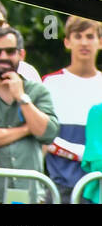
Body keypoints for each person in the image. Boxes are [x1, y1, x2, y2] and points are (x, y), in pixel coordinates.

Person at [0, 26, 59, 203]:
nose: (3, 57)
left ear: (21, 54)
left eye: (10, 51)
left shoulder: (37, 91)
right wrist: (27, 129)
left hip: (30, 195)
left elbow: (48, 133)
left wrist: (22, 97)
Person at [41, 16, 102, 201]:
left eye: (90, 36)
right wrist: (83, 155)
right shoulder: (50, 82)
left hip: (98, 188)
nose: (84, 42)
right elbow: (43, 135)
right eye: (78, 36)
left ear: (100, 41)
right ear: (67, 42)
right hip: (60, 186)